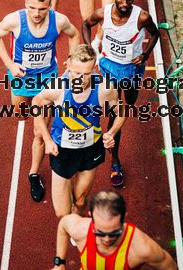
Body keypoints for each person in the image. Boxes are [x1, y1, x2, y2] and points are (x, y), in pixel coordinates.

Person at [0, 0, 80, 203]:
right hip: (21, 78)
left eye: (42, 9)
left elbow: (74, 34)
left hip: (47, 80)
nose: (36, 14)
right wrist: (9, 64)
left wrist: (72, 61)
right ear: (25, 4)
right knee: (20, 115)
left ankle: (33, 174)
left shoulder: (58, 21)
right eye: (32, 8)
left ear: (49, 5)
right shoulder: (14, 20)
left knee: (40, 132)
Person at [45, 190, 178, 270]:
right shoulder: (80, 230)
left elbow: (170, 269)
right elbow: (63, 225)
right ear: (91, 216)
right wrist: (59, 264)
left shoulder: (141, 246)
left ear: (123, 216)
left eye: (114, 233)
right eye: (100, 232)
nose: (107, 239)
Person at [82, 0, 159, 187]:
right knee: (116, 113)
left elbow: (155, 34)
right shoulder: (102, 14)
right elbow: (85, 25)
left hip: (131, 69)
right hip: (108, 66)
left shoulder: (141, 17)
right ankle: (115, 160)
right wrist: (90, 48)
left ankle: (121, 114)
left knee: (131, 102)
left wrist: (145, 54)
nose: (125, 3)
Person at [33, 45, 125, 218]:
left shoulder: (105, 88)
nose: (80, 79)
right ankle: (70, 226)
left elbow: (121, 112)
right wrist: (47, 140)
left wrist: (112, 132)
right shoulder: (57, 88)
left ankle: (75, 223)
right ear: (67, 65)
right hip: (62, 151)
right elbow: (36, 106)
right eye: (76, 73)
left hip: (90, 150)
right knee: (62, 213)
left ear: (94, 68)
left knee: (80, 201)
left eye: (86, 74)